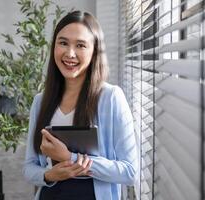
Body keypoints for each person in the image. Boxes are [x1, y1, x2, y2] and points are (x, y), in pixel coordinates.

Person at [23, 10, 138, 200]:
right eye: (63, 43)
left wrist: (70, 158)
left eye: (81, 45)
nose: (70, 53)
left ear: (94, 52)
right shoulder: (40, 101)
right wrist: (49, 175)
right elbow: (29, 167)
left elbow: (129, 172)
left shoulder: (111, 98)